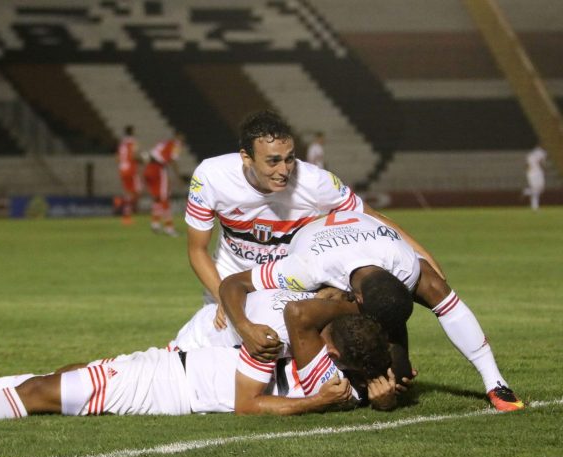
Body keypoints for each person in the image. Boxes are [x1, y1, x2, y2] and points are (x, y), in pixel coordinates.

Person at [218, 210, 525, 412]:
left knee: (400, 372)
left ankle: (496, 385)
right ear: (357, 302)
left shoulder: (405, 266)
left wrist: (493, 379)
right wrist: (245, 326)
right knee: (315, 326)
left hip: (371, 239)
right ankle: (345, 384)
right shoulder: (305, 269)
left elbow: (453, 309)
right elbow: (233, 283)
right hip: (315, 241)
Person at [0, 311, 393, 419]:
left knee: (46, 393)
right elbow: (381, 390)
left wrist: (341, 300)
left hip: (165, 387)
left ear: (335, 348)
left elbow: (248, 404)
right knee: (64, 374)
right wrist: (386, 394)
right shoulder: (344, 384)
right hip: (167, 366)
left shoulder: (286, 350)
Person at [184, 110, 443, 330]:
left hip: (288, 284)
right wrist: (223, 298)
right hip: (228, 283)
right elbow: (197, 249)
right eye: (273, 161)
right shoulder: (211, 176)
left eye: (289, 159)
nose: (283, 170)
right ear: (246, 157)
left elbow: (372, 218)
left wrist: (426, 258)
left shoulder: (315, 182)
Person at [143, 131, 184, 236]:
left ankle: (155, 223)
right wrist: (178, 176)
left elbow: (150, 155)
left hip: (149, 168)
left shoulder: (164, 143)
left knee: (157, 198)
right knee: (164, 198)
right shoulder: (176, 145)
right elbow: (173, 160)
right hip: (159, 169)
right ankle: (169, 227)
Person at [116, 125, 142, 225]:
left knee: (128, 192)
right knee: (137, 192)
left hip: (122, 169)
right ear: (132, 132)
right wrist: (142, 160)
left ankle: (126, 214)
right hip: (131, 170)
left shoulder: (121, 143)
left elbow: (117, 158)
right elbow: (133, 155)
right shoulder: (132, 142)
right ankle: (124, 210)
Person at [523, 145, 547, 211]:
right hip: (538, 172)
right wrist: (544, 170)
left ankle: (535, 207)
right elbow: (541, 162)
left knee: (536, 190)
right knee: (540, 189)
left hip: (530, 173)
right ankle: (527, 192)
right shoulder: (543, 152)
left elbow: (526, 165)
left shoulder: (530, 154)